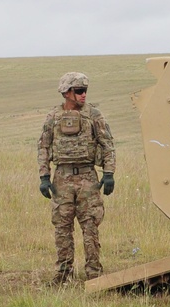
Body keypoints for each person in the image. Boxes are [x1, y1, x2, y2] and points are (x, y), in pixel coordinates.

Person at [38, 72, 117, 283]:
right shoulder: (53, 117)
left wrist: (108, 173)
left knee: (90, 225)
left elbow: (107, 144)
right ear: (66, 93)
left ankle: (94, 273)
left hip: (87, 177)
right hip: (61, 178)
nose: (83, 95)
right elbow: (44, 147)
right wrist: (44, 176)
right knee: (62, 227)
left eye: (85, 91)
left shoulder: (94, 115)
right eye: (79, 91)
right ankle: (63, 274)